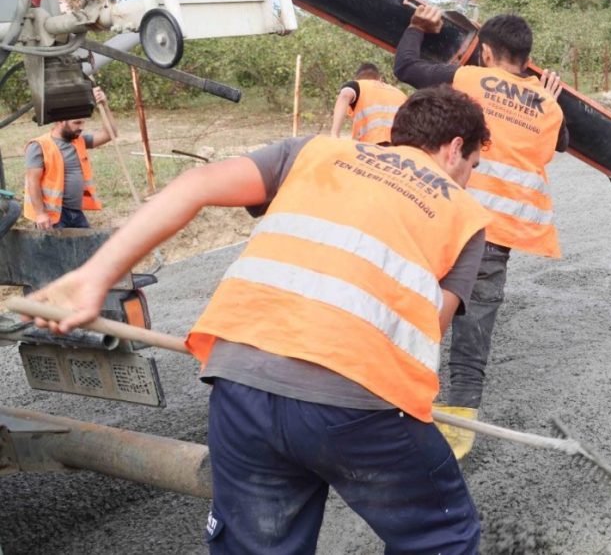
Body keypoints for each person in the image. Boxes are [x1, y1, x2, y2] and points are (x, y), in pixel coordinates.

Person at [25, 85, 493, 554]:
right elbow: (429, 326)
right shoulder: (463, 213)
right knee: (442, 538)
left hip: (241, 383)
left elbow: (195, 185)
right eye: (473, 166)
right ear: (455, 149)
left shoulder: (315, 151)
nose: (469, 178)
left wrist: (94, 276)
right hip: (360, 397)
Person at [394, 5, 566, 459]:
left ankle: (387, 394)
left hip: (445, 217)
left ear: (485, 53)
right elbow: (560, 143)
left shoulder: (468, 79)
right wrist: (547, 95)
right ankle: (460, 427)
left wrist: (416, 28)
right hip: (496, 233)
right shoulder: (548, 105)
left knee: (408, 298)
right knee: (474, 325)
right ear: (527, 58)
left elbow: (407, 68)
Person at [23, 86, 114, 229]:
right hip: (53, 215)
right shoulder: (39, 146)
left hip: (76, 213)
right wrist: (40, 214)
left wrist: (104, 105)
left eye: (83, 122)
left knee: (86, 249)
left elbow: (109, 134)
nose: (81, 127)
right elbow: (32, 182)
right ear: (60, 122)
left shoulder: (79, 141)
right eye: (77, 123)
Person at [329, 61, 407, 144]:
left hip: (372, 145)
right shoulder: (400, 93)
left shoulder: (357, 85)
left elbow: (345, 95)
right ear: (380, 79)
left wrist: (334, 134)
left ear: (357, 79)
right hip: (400, 147)